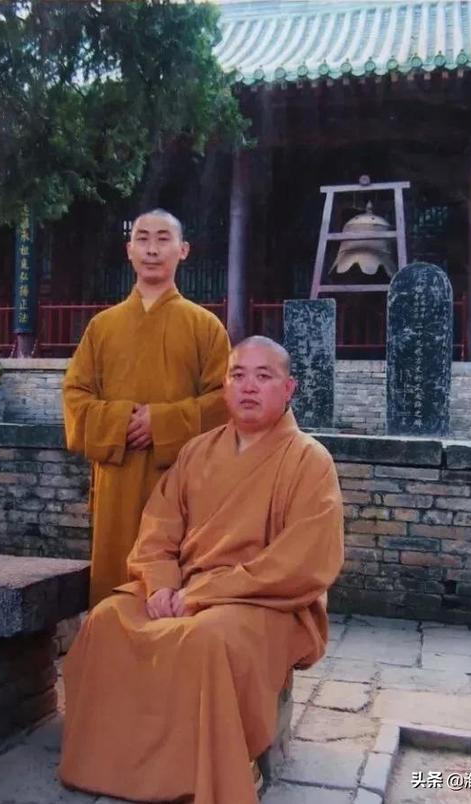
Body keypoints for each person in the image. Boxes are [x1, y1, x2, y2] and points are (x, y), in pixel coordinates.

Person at [59, 336, 345, 804]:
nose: (248, 386)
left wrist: (204, 595)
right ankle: (111, 764)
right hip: (183, 587)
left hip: (264, 601)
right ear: (225, 386)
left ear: (288, 388)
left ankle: (218, 769)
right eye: (238, 375)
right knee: (107, 620)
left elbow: (302, 561)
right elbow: (158, 530)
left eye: (264, 376)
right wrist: (160, 585)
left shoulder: (309, 461)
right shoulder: (196, 452)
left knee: (206, 639)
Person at [62, 209, 230, 606]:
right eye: (143, 239)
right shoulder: (102, 327)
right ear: (129, 250)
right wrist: (121, 422)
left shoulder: (206, 326)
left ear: (183, 250)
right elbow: (75, 397)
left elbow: (226, 402)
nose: (152, 249)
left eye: (163, 239)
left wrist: (163, 423)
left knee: (174, 589)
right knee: (114, 587)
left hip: (180, 481)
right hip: (117, 480)